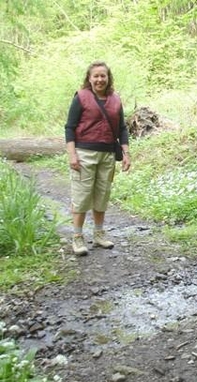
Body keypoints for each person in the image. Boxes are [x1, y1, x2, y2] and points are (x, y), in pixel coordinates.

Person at [64, 61, 131, 256]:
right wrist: (72, 154)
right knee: (82, 195)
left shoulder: (116, 100)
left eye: (103, 76)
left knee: (102, 194)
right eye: (96, 76)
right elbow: (69, 127)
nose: (100, 79)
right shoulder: (81, 97)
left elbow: (122, 129)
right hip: (84, 153)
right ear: (89, 78)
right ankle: (77, 237)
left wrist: (126, 153)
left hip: (108, 154)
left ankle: (99, 235)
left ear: (108, 78)